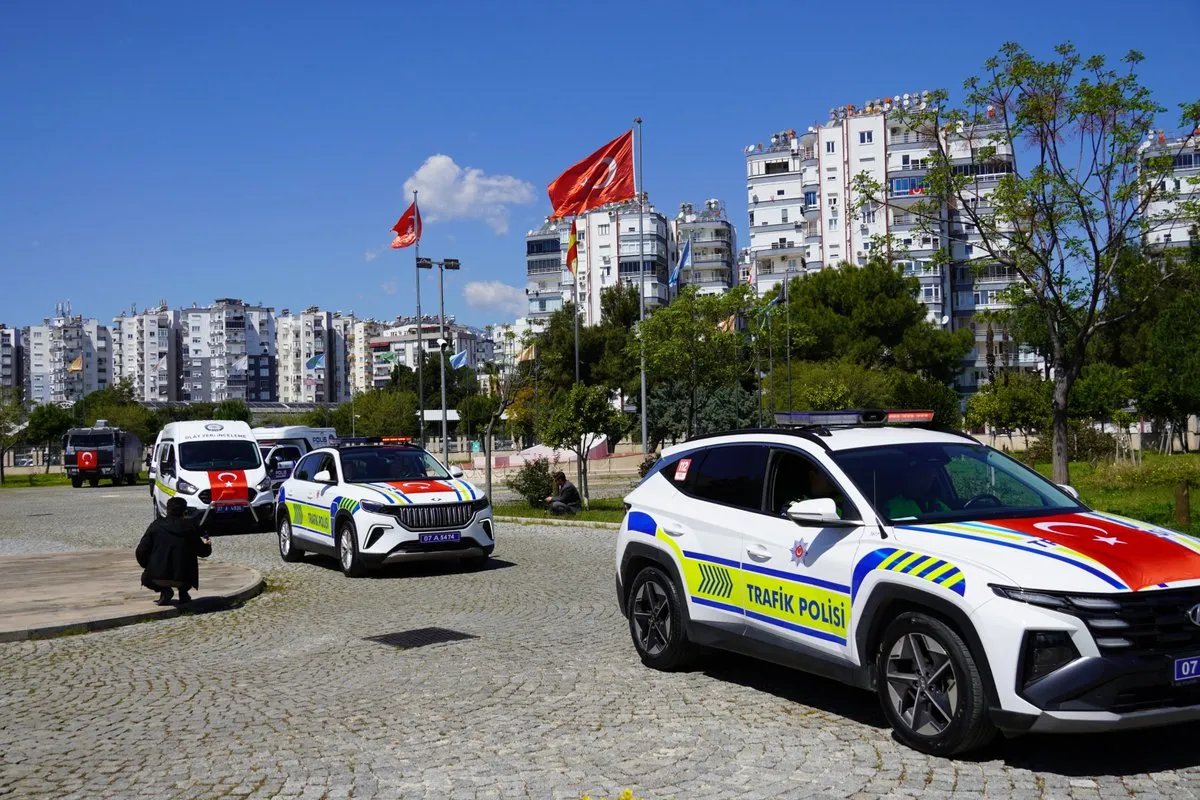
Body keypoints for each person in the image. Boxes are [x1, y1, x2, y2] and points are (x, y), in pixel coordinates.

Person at [136, 496, 212, 605]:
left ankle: (164, 590)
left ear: (167, 510)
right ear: (185, 512)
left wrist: (148, 566)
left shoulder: (156, 526)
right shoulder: (190, 528)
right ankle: (183, 592)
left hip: (156, 576)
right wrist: (207, 544)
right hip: (183, 577)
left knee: (147, 577)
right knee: (187, 561)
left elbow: (141, 551)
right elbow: (203, 552)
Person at [885, 460, 951, 520]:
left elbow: (952, 518)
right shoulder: (895, 505)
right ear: (911, 475)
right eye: (925, 472)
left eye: (932, 473)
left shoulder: (936, 503)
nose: (931, 477)